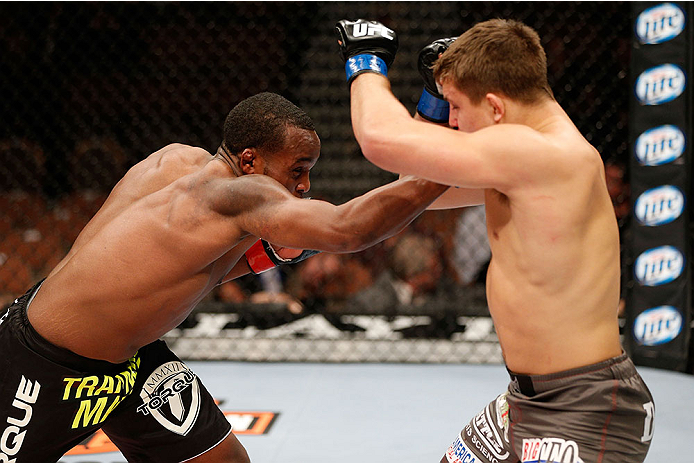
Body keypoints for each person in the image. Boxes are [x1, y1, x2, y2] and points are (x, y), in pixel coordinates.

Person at [0, 91, 449, 463]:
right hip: (41, 364)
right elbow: (351, 229)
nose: (305, 186)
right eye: (297, 170)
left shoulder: (175, 162)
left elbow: (181, 269)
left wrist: (271, 252)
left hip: (128, 364)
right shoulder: (237, 197)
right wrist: (453, 163)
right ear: (250, 160)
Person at [335, 19, 654, 463]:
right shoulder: (527, 160)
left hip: (582, 409)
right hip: (523, 402)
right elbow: (415, 185)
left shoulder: (541, 154)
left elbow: (379, 140)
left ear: (495, 107)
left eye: (457, 109)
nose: (453, 122)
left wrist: (365, 60)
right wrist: (432, 96)